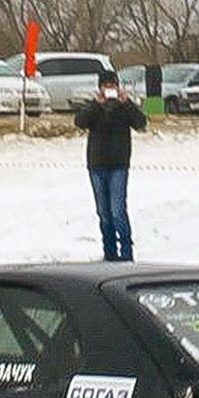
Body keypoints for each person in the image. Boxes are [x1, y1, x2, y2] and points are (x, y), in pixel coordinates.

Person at [75, 70, 147, 261]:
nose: (109, 90)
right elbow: (80, 122)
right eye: (105, 86)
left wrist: (128, 103)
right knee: (103, 213)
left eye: (112, 86)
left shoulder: (124, 107)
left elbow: (140, 123)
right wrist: (95, 105)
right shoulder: (94, 107)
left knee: (117, 211)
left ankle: (126, 252)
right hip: (97, 165)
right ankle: (109, 252)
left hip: (118, 165)